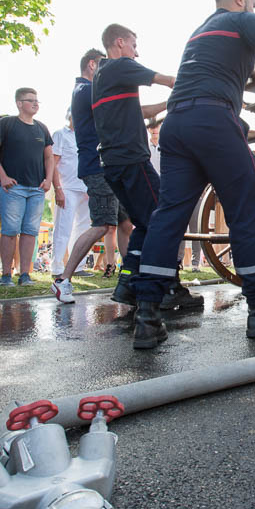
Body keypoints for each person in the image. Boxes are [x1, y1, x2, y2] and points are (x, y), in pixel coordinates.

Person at [129, 0, 255, 349]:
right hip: (214, 122)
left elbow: (232, 75)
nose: (254, 7)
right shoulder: (241, 20)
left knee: (167, 217)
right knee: (245, 211)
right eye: (253, 0)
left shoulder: (201, 33)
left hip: (177, 125)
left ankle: (147, 315)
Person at [89, 26, 203, 315]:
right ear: (120, 42)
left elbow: (146, 112)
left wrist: (169, 105)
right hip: (132, 159)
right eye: (134, 45)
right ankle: (168, 287)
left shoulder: (103, 76)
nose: (136, 52)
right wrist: (198, 83)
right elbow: (167, 80)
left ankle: (127, 284)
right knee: (165, 220)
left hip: (112, 164)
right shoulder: (122, 65)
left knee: (144, 222)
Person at [51, 49, 134, 304]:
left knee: (125, 224)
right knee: (101, 226)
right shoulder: (87, 91)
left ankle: (128, 276)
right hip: (97, 167)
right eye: (103, 67)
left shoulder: (85, 91)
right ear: (91, 65)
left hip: (107, 165)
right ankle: (63, 279)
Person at [0, 88, 54, 287]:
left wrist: (48, 180)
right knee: (9, 230)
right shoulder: (6, 124)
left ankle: (25, 274)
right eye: (30, 100)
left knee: (30, 231)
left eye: (37, 100)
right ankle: (6, 275)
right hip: (13, 188)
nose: (35, 103)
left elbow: (49, 156)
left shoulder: (41, 128)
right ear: (18, 103)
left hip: (36, 189)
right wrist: (3, 176)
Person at [147, 116, 203, 271]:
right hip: (172, 191)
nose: (155, 131)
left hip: (193, 192)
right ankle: (177, 260)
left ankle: (195, 263)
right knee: (179, 228)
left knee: (196, 229)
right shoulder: (153, 146)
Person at [50, 109, 91, 277]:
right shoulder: (60, 134)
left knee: (83, 228)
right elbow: (53, 163)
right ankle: (57, 267)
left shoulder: (87, 135)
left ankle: (78, 266)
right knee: (63, 227)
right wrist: (57, 188)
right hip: (67, 187)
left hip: (86, 189)